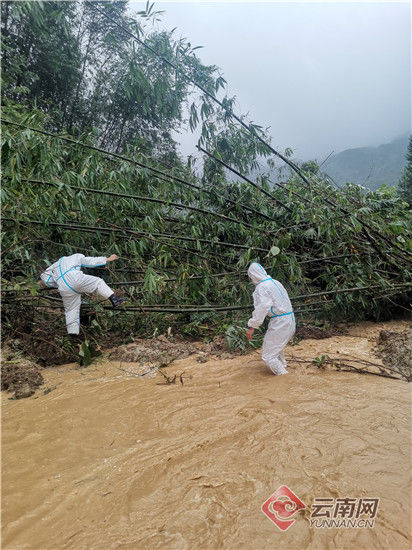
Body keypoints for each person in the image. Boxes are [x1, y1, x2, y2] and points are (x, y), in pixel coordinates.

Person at [40, 253, 125, 335]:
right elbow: (90, 261)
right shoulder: (75, 256)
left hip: (64, 288)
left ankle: (73, 333)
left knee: (71, 309)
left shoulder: (53, 266)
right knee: (98, 282)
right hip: (75, 278)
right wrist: (107, 259)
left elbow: (45, 279)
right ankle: (114, 299)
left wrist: (57, 284)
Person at [245, 262, 295, 375]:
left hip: (280, 322)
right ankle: (283, 369)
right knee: (276, 349)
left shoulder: (262, 287)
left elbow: (262, 308)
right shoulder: (274, 282)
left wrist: (252, 326)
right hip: (289, 319)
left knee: (268, 356)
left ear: (253, 275)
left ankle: (284, 377)